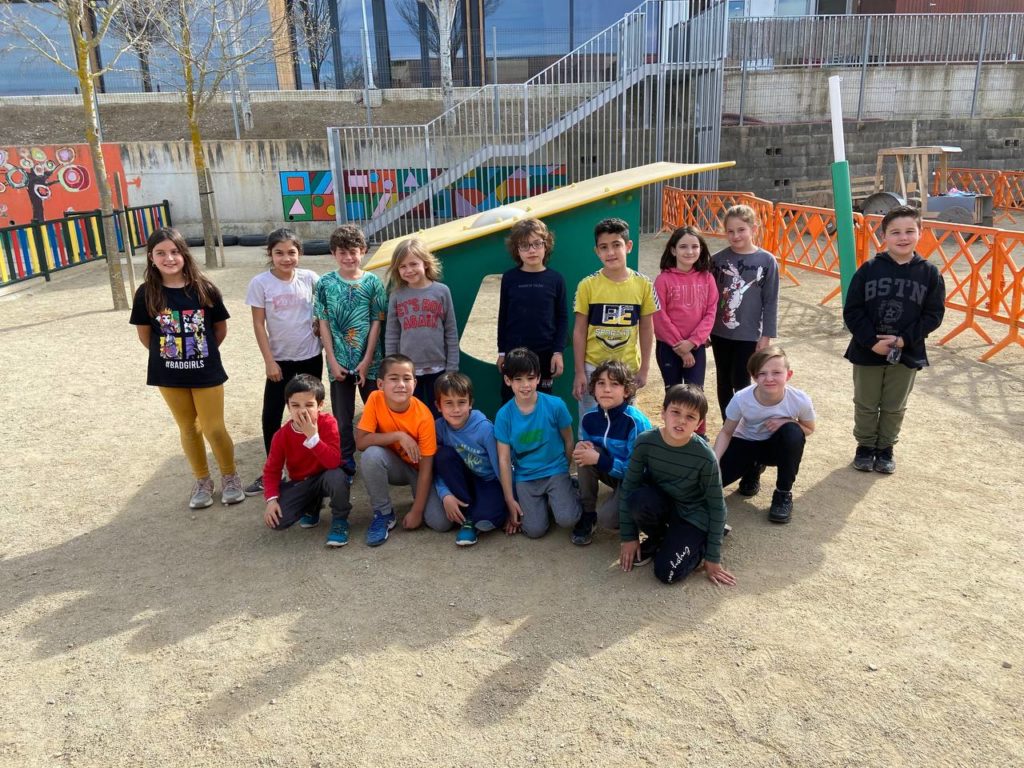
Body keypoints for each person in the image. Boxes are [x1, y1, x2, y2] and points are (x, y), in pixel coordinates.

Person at [129, 227, 244, 508]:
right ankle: (202, 480)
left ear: (184, 254)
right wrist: (172, 357)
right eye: (160, 253)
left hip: (206, 371)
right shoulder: (146, 293)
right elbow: (146, 337)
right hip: (168, 374)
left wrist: (199, 353)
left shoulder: (205, 289)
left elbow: (219, 330)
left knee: (214, 428)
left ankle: (230, 477)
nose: (169, 258)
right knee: (188, 428)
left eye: (174, 252)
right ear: (151, 257)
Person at [843, 205, 945, 474]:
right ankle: (865, 446)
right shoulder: (868, 269)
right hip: (868, 350)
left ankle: (886, 448)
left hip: (906, 351)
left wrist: (903, 340)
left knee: (894, 405)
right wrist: (870, 341)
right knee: (865, 402)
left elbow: (933, 315)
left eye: (910, 231)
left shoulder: (929, 273)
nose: (903, 237)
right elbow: (852, 310)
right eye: (895, 232)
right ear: (884, 236)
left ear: (920, 233)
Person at [618, 384, 735, 586]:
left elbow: (717, 506)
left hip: (693, 514)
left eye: (690, 417)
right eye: (675, 412)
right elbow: (629, 487)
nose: (681, 420)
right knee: (638, 499)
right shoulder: (645, 442)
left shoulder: (705, 457)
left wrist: (713, 557)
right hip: (665, 504)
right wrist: (628, 537)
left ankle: (701, 541)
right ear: (663, 413)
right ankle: (660, 537)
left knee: (667, 573)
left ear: (699, 423)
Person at [243, 228, 322, 497]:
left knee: (310, 410)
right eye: (279, 253)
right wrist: (269, 361)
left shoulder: (310, 278)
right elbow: (258, 323)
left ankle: (313, 463)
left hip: (310, 355)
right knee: (272, 413)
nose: (286, 258)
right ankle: (272, 470)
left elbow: (321, 310)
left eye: (291, 252)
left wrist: (317, 324)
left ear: (300, 253)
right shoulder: (261, 283)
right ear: (270, 254)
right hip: (280, 359)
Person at [314, 224, 387, 484]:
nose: (348, 258)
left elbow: (377, 321)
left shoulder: (373, 283)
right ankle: (346, 461)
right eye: (342, 252)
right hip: (339, 363)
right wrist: (332, 361)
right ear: (333, 253)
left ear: (363, 251)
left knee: (378, 413)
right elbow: (323, 323)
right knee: (342, 419)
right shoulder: (324, 284)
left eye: (353, 252)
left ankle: (383, 458)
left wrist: (367, 361)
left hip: (371, 362)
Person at [713, 345, 816, 524]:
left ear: (788, 375)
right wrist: (714, 459)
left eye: (776, 372)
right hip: (745, 444)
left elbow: (809, 428)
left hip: (773, 448)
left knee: (793, 432)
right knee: (710, 484)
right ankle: (752, 469)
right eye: (762, 373)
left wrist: (788, 421)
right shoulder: (742, 398)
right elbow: (727, 431)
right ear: (754, 377)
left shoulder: (799, 399)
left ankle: (783, 494)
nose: (769, 378)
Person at [572, 217, 659, 418]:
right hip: (593, 367)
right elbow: (579, 331)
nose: (610, 252)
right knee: (591, 421)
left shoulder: (644, 284)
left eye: (616, 245)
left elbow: (647, 328)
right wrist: (579, 372)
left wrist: (644, 369)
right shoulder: (587, 285)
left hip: (627, 368)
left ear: (628, 246)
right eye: (604, 247)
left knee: (624, 422)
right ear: (597, 251)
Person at [355, 354, 445, 547]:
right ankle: (384, 513)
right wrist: (398, 436)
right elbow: (361, 442)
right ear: (381, 384)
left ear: (415, 383)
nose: (401, 385)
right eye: (394, 379)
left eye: (406, 378)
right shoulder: (375, 399)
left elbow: (426, 470)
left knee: (441, 523)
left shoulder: (424, 416)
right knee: (371, 456)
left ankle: (419, 500)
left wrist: (417, 511)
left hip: (419, 471)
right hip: (394, 465)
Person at [495, 348, 582, 539]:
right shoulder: (504, 415)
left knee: (568, 519)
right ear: (508, 380)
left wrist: (564, 469)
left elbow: (569, 439)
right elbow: (504, 459)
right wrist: (509, 499)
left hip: (555, 471)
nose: (525, 385)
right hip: (525, 477)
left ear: (538, 378)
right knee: (534, 531)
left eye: (530, 378)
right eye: (518, 379)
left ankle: (569, 490)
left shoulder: (556, 405)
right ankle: (547, 503)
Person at [261, 374, 352, 547]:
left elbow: (333, 462)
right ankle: (312, 505)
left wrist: (313, 438)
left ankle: (340, 520)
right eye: (295, 405)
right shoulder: (281, 436)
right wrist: (271, 500)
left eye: (309, 405)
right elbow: (271, 470)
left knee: (337, 476)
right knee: (278, 521)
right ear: (288, 406)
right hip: (301, 482)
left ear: (320, 405)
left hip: (327, 475)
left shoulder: (328, 423)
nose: (302, 411)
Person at [570, 360, 653, 546]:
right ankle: (588, 513)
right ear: (594, 388)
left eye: (614, 384)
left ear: (626, 391)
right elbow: (592, 455)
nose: (606, 389)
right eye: (601, 383)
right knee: (584, 451)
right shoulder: (589, 418)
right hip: (613, 472)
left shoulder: (636, 422)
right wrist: (584, 448)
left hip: (637, 481)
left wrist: (600, 459)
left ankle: (640, 516)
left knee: (607, 519)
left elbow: (637, 471)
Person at [710, 204, 780, 419]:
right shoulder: (717, 260)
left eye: (741, 230)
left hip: (749, 333)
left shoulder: (767, 261)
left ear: (753, 229)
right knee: (723, 379)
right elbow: (709, 298)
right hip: (720, 331)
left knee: (741, 380)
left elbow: (770, 301)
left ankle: (743, 424)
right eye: (730, 231)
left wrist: (766, 335)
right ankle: (728, 423)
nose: (735, 236)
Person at [653, 226, 718, 438]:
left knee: (696, 393)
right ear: (673, 250)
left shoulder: (707, 278)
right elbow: (659, 316)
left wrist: (692, 343)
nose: (689, 251)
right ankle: (672, 436)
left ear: (701, 249)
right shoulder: (663, 280)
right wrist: (681, 348)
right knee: (673, 393)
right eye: (683, 247)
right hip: (668, 348)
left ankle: (698, 436)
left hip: (696, 347)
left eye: (694, 246)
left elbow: (711, 312)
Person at [432, 372, 511, 547]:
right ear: (438, 406)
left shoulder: (484, 429)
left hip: (488, 481)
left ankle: (476, 515)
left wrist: (511, 503)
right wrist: (445, 494)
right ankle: (468, 516)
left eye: (461, 402)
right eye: (449, 403)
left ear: (470, 403)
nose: (456, 409)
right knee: (442, 455)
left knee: (486, 521)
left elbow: (501, 466)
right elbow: (435, 467)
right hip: (462, 481)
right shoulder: (438, 428)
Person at [384, 238, 459, 418]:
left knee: (438, 414)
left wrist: (452, 368)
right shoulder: (396, 295)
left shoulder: (442, 291)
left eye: (413, 264)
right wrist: (391, 367)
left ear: (425, 263)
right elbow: (392, 334)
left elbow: (451, 331)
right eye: (402, 266)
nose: (408, 270)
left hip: (438, 368)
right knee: (411, 413)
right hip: (407, 371)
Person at [496, 218, 569, 402]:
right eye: (525, 245)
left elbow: (562, 318)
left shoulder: (556, 279)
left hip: (545, 353)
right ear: (517, 249)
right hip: (514, 353)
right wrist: (502, 352)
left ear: (546, 245)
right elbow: (503, 316)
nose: (532, 250)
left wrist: (558, 352)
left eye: (537, 243)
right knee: (511, 400)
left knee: (543, 401)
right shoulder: (509, 278)